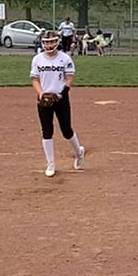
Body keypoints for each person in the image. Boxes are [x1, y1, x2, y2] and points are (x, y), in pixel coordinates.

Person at [31, 31, 87, 178]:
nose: (49, 45)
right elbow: (35, 79)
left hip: (61, 98)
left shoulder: (65, 58)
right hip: (44, 99)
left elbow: (69, 79)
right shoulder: (37, 59)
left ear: (57, 42)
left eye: (52, 41)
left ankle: (79, 152)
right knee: (46, 131)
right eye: (46, 42)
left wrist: (62, 93)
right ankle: (50, 164)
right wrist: (41, 93)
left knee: (66, 130)